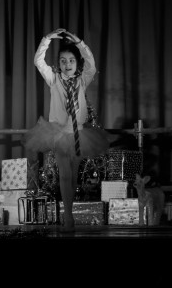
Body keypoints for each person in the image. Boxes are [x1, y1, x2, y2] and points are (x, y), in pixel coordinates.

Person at [22, 28, 111, 231]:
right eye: (63, 61)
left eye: (71, 61)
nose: (67, 64)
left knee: (73, 175)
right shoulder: (54, 79)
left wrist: (80, 43)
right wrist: (46, 40)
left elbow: (91, 64)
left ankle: (68, 212)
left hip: (79, 133)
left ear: (77, 63)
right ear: (58, 63)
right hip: (59, 133)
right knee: (64, 174)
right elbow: (38, 61)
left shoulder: (82, 80)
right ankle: (68, 217)